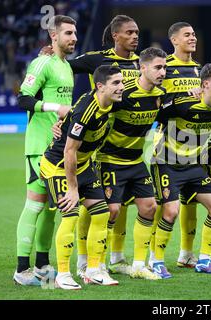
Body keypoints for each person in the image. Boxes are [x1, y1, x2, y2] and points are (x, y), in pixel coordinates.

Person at [40, 65, 124, 289]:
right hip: (59, 165)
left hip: (83, 163)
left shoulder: (109, 102)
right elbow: (69, 151)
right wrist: (72, 188)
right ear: (100, 86)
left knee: (101, 214)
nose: (121, 87)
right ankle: (63, 275)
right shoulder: (86, 111)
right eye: (116, 83)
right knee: (71, 214)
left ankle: (93, 270)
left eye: (121, 82)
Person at [149, 63, 211, 278]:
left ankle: (204, 260)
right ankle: (155, 260)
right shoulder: (183, 103)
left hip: (193, 166)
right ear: (205, 84)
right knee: (171, 211)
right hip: (166, 163)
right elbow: (154, 112)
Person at [14, 15, 76, 286]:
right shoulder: (42, 63)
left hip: (58, 148)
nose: (73, 38)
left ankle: (41, 264)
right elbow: (23, 99)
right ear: (53, 36)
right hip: (39, 146)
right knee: (35, 205)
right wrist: (54, 108)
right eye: (68, 34)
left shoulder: (66, 67)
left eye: (75, 33)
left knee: (53, 207)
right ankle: (21, 269)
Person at [96, 47, 168, 280]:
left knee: (149, 207)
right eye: (157, 67)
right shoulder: (123, 93)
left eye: (165, 67)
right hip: (110, 159)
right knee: (112, 210)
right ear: (142, 67)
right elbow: (95, 107)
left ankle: (138, 265)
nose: (162, 72)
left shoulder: (160, 95)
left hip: (136, 160)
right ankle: (97, 263)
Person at [148, 22, 203, 269]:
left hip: (196, 147)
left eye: (194, 34)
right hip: (167, 146)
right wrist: (182, 98)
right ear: (174, 40)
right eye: (187, 35)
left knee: (190, 202)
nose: (193, 38)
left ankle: (187, 253)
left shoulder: (199, 70)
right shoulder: (164, 68)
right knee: (166, 206)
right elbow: (156, 104)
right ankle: (153, 256)